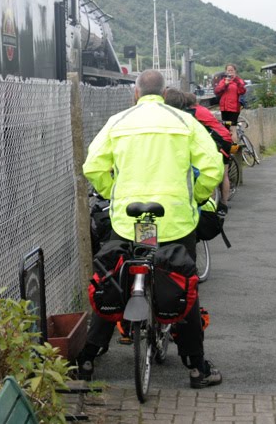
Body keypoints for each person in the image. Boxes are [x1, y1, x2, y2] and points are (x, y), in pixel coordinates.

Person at [78, 70, 224, 388]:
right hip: (173, 220)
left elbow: (92, 166)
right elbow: (214, 166)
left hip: (131, 220)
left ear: (136, 92)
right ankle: (197, 368)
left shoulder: (118, 122)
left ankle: (88, 358)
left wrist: (113, 191)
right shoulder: (185, 123)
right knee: (183, 285)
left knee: (114, 280)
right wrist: (195, 196)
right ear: (163, 91)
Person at [163, 88, 234, 203]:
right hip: (222, 136)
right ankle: (222, 202)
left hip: (222, 139)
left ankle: (223, 203)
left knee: (223, 174)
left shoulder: (192, 113)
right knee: (221, 173)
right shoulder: (200, 109)